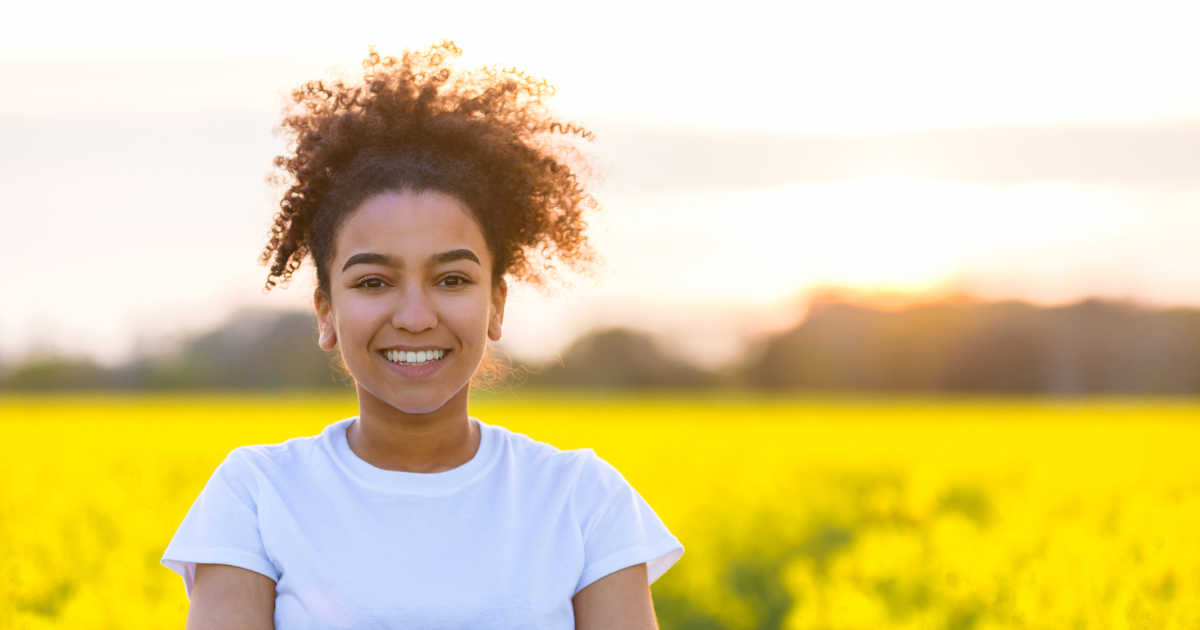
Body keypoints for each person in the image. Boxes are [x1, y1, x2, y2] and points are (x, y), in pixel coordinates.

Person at [160, 42, 683, 629]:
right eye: (375, 281)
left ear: (495, 304)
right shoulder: (254, 496)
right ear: (326, 311)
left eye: (452, 278)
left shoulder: (584, 500)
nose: (413, 315)